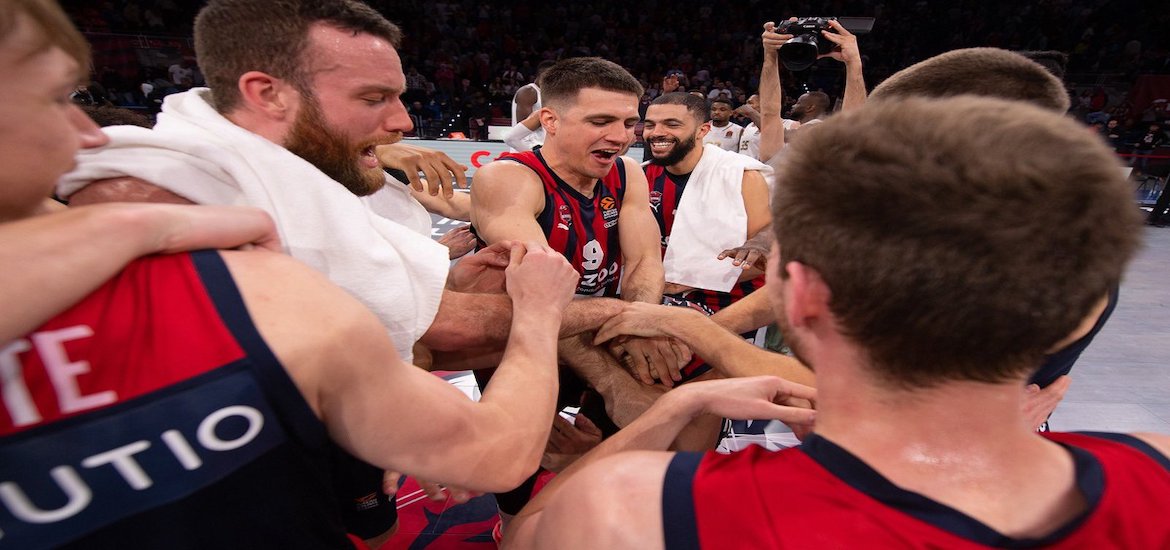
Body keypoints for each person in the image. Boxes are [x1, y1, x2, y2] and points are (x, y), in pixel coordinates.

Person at [0, 1, 581, 547]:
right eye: (54, 99)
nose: (88, 135)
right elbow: (493, 450)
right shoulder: (224, 258)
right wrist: (539, 310)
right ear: (267, 94)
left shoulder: (153, 228)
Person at [505, 95, 1170, 550]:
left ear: (799, 299)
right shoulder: (1155, 467)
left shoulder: (630, 505)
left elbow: (527, 536)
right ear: (1072, 319)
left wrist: (670, 410)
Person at [469, 56, 669, 535]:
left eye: (629, 123)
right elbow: (539, 301)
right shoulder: (509, 179)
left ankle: (597, 513)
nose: (620, 136)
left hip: (602, 323)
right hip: (523, 335)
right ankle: (511, 529)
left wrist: (639, 323)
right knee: (520, 449)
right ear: (551, 121)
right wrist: (615, 364)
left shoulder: (627, 173)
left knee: (618, 423)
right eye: (600, 121)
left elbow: (644, 261)